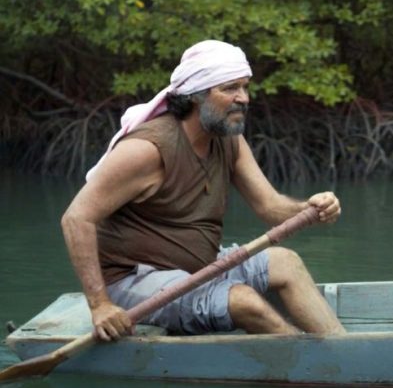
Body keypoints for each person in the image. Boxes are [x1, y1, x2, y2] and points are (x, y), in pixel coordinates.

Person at [61, 40, 345, 341]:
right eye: (230, 88)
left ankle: (344, 352)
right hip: (133, 280)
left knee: (286, 262)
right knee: (245, 302)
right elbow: (76, 218)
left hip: (201, 266)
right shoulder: (147, 150)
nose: (243, 98)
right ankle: (311, 363)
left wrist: (309, 209)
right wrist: (100, 305)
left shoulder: (229, 139)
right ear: (197, 95)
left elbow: (269, 206)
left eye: (245, 87)